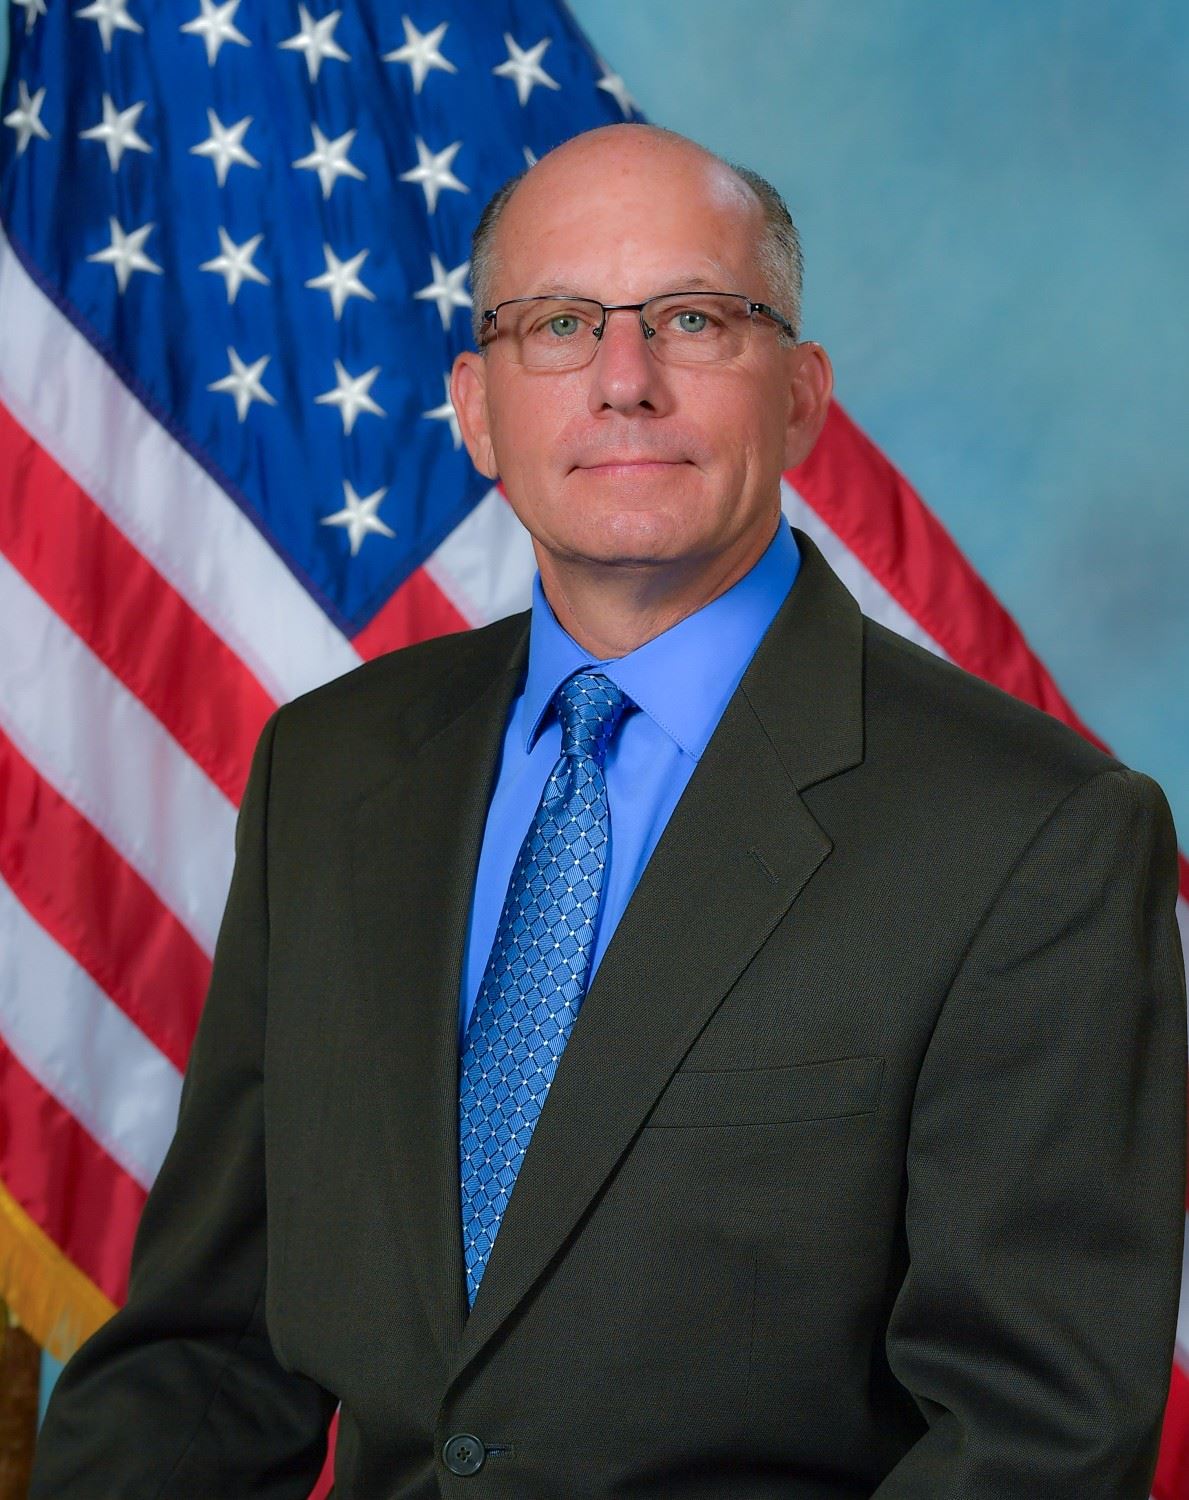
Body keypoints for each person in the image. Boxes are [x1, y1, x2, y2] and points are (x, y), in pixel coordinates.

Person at [32, 122, 1185, 1499]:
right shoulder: (332, 774)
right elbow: (202, 1362)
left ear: (802, 396)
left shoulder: (1033, 836)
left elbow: (1032, 1444)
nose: (623, 382)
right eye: (558, 324)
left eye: (692, 319)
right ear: (475, 404)